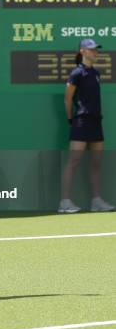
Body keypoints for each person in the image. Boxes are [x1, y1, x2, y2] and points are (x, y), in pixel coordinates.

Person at [59, 38, 115, 214]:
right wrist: (71, 119)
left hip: (96, 123)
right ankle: (65, 202)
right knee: (74, 162)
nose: (95, 52)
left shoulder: (96, 74)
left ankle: (96, 201)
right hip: (81, 122)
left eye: (96, 49)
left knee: (96, 163)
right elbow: (68, 98)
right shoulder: (76, 73)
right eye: (92, 49)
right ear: (82, 51)